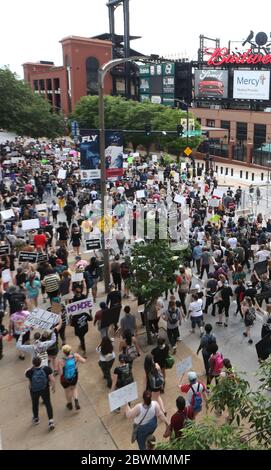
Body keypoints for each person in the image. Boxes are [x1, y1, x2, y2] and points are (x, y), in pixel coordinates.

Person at [25, 356, 55, 430]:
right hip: (45, 389)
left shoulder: (29, 372)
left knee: (35, 404)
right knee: (48, 403)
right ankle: (51, 421)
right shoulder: (46, 369)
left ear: (33, 363)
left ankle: (36, 418)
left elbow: (29, 380)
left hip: (34, 390)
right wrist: (53, 387)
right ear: (41, 362)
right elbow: (52, 379)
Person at [59, 345, 86, 410]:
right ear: (70, 350)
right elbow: (84, 361)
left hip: (65, 379)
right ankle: (76, 401)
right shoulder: (75, 356)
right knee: (74, 388)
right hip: (74, 376)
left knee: (67, 390)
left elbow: (61, 373)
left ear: (63, 352)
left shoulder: (61, 361)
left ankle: (69, 404)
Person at [70, 287, 92, 357]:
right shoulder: (85, 314)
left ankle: (84, 350)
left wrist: (71, 317)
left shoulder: (75, 317)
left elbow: (72, 324)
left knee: (82, 339)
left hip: (79, 330)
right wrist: (90, 312)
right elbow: (91, 319)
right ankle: (82, 345)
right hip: (84, 328)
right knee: (82, 338)